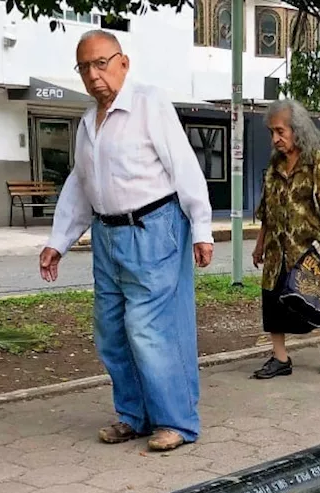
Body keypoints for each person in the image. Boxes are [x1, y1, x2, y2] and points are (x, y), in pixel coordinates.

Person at [40, 30, 214, 452]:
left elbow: (184, 166)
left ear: (123, 62)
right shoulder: (87, 123)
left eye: (101, 63)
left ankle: (176, 421)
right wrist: (58, 241)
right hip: (107, 236)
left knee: (149, 329)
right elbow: (80, 186)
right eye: (85, 67)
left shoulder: (148, 104)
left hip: (155, 229)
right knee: (113, 332)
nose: (94, 75)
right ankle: (134, 417)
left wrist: (202, 227)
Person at [250, 98, 320, 380]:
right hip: (277, 248)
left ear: (297, 129)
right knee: (273, 299)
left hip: (311, 250)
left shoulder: (318, 160)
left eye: (281, 131)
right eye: (272, 132)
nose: (276, 138)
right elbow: (267, 210)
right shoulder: (275, 164)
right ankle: (280, 358)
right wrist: (259, 245)